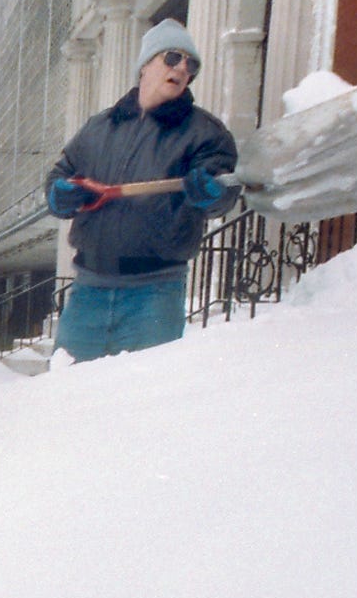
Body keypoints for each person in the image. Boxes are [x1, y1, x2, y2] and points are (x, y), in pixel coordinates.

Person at [46, 20, 240, 362]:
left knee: (144, 406)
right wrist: (58, 194)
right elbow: (62, 173)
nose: (182, 68)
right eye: (172, 58)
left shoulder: (204, 133)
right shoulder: (100, 128)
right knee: (68, 400)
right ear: (145, 65)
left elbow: (223, 188)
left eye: (190, 65)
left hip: (154, 295)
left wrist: (211, 193)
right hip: (88, 292)